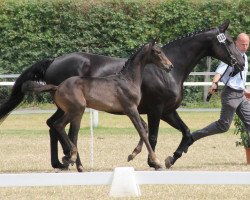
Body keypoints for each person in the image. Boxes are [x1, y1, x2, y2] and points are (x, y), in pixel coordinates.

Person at [185, 33, 250, 150]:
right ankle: (193, 137)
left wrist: (244, 89)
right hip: (230, 95)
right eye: (243, 44)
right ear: (236, 43)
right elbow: (219, 72)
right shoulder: (230, 56)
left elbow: (239, 78)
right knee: (223, 126)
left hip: (240, 95)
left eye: (247, 44)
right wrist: (214, 83)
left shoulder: (244, 57)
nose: (245, 47)